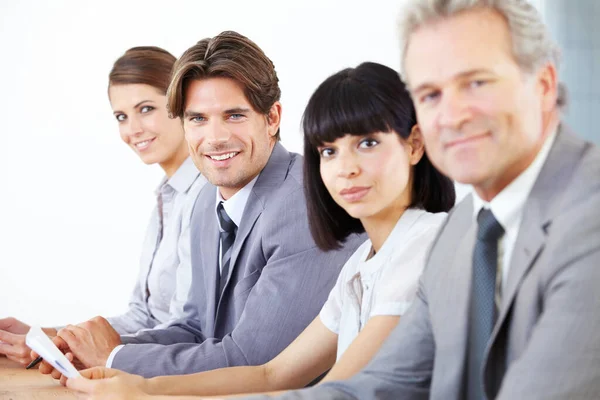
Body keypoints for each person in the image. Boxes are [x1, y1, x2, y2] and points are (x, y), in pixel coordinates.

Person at [204, 1, 599, 399]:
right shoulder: (464, 229)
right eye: (429, 95)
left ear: (544, 85)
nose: (451, 116)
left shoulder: (587, 217)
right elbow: (369, 389)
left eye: (476, 83)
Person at [63, 61, 457, 399]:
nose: (346, 167)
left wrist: (139, 388)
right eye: (329, 151)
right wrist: (140, 386)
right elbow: (274, 374)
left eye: (368, 143)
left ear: (415, 145)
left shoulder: (424, 244)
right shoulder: (362, 262)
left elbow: (333, 392)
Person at [37, 31, 364, 381]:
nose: (215, 137)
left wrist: (115, 357)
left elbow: (251, 361)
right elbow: (195, 328)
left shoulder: (304, 204)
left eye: (234, 115)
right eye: (198, 119)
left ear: (272, 118)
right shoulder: (209, 197)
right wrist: (91, 350)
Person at [0, 46, 206, 367]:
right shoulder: (167, 198)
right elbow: (143, 314)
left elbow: (191, 329)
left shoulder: (208, 196)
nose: (133, 129)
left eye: (146, 108)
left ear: (181, 105)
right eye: (122, 116)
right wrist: (47, 334)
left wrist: (62, 347)